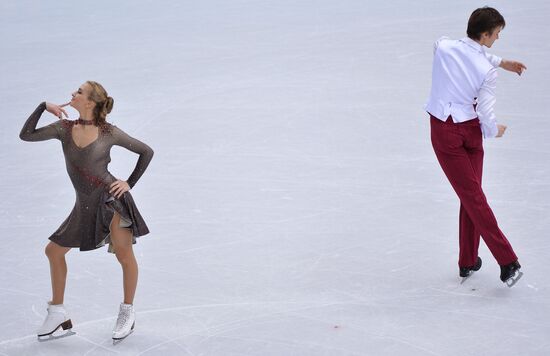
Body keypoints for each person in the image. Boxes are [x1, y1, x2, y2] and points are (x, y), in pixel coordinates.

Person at [20, 81, 154, 340]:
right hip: (84, 205)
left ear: (90, 103)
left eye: (79, 92)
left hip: (111, 202)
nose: (72, 93)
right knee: (54, 251)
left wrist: (128, 183)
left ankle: (127, 311)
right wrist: (41, 107)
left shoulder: (109, 132)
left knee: (124, 255)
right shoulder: (63, 128)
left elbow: (146, 151)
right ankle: (57, 313)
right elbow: (26, 134)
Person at [425, 7, 526, 287]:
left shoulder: (443, 46)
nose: (497, 39)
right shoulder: (486, 70)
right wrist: (495, 130)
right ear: (484, 34)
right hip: (470, 133)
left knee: (472, 197)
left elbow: (466, 50)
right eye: (496, 34)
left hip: (445, 132)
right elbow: (485, 112)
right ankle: (504, 261)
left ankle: (471, 261)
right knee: (473, 197)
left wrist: (500, 61)